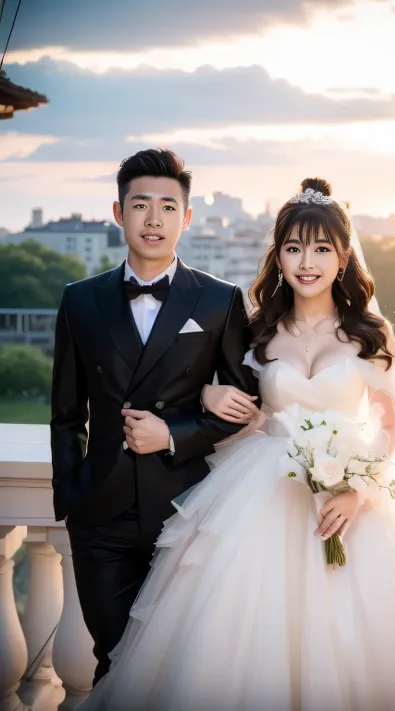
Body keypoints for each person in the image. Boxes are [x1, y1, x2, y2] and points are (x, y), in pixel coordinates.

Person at [77, 177, 395, 710]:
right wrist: (211, 395)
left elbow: (389, 427)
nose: (305, 261)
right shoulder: (259, 329)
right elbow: (243, 412)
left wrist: (357, 491)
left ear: (343, 255)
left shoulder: (369, 332)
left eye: (320, 248)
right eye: (292, 248)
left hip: (347, 502)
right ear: (279, 257)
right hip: (259, 494)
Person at [50, 148, 260, 684]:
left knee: (176, 669)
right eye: (140, 205)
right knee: (114, 661)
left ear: (187, 218)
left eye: (168, 207)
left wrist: (174, 432)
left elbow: (244, 406)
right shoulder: (80, 300)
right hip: (100, 516)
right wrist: (72, 496)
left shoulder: (219, 300)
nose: (154, 219)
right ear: (118, 213)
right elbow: (66, 412)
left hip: (185, 510)